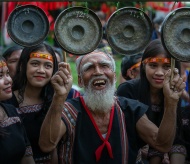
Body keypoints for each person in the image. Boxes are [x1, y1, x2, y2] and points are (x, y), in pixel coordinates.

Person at [39, 50, 185, 163]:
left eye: (104, 66)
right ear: (80, 81)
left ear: (114, 77)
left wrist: (171, 103)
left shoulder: (129, 109)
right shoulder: (69, 109)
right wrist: (59, 97)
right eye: (89, 68)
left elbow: (162, 145)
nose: (98, 72)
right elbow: (46, 145)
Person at [117, 39, 187, 163]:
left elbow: (176, 138)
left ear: (174, 70)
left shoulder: (175, 92)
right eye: (153, 65)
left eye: (166, 67)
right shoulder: (128, 90)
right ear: (144, 66)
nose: (159, 73)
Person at [4, 43, 59, 163]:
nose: (41, 70)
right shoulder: (6, 102)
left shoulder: (57, 101)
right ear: (23, 66)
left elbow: (54, 148)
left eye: (48, 66)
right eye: (35, 64)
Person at [0, 56, 34, 163]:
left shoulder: (11, 111)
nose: (9, 80)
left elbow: (27, 158)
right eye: (0, 76)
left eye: (8, 74)